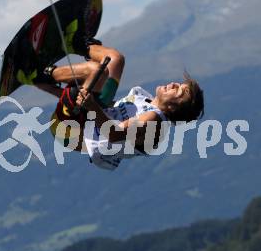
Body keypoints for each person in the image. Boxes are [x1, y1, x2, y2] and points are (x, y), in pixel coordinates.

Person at [36, 42, 204, 170]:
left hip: (70, 133)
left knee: (94, 71)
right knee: (116, 59)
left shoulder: (152, 121)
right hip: (86, 117)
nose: (175, 84)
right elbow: (106, 107)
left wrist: (91, 105)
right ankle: (74, 43)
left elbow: (114, 135)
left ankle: (41, 72)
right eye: (180, 84)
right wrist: (62, 94)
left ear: (173, 109)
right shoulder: (146, 100)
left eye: (180, 92)